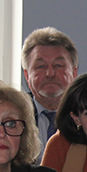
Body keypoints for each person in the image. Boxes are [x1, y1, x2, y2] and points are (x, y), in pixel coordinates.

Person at [22, 27, 79, 158]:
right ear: (27, 75)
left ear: (74, 73)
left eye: (58, 65)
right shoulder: (15, 117)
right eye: (41, 66)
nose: (50, 73)